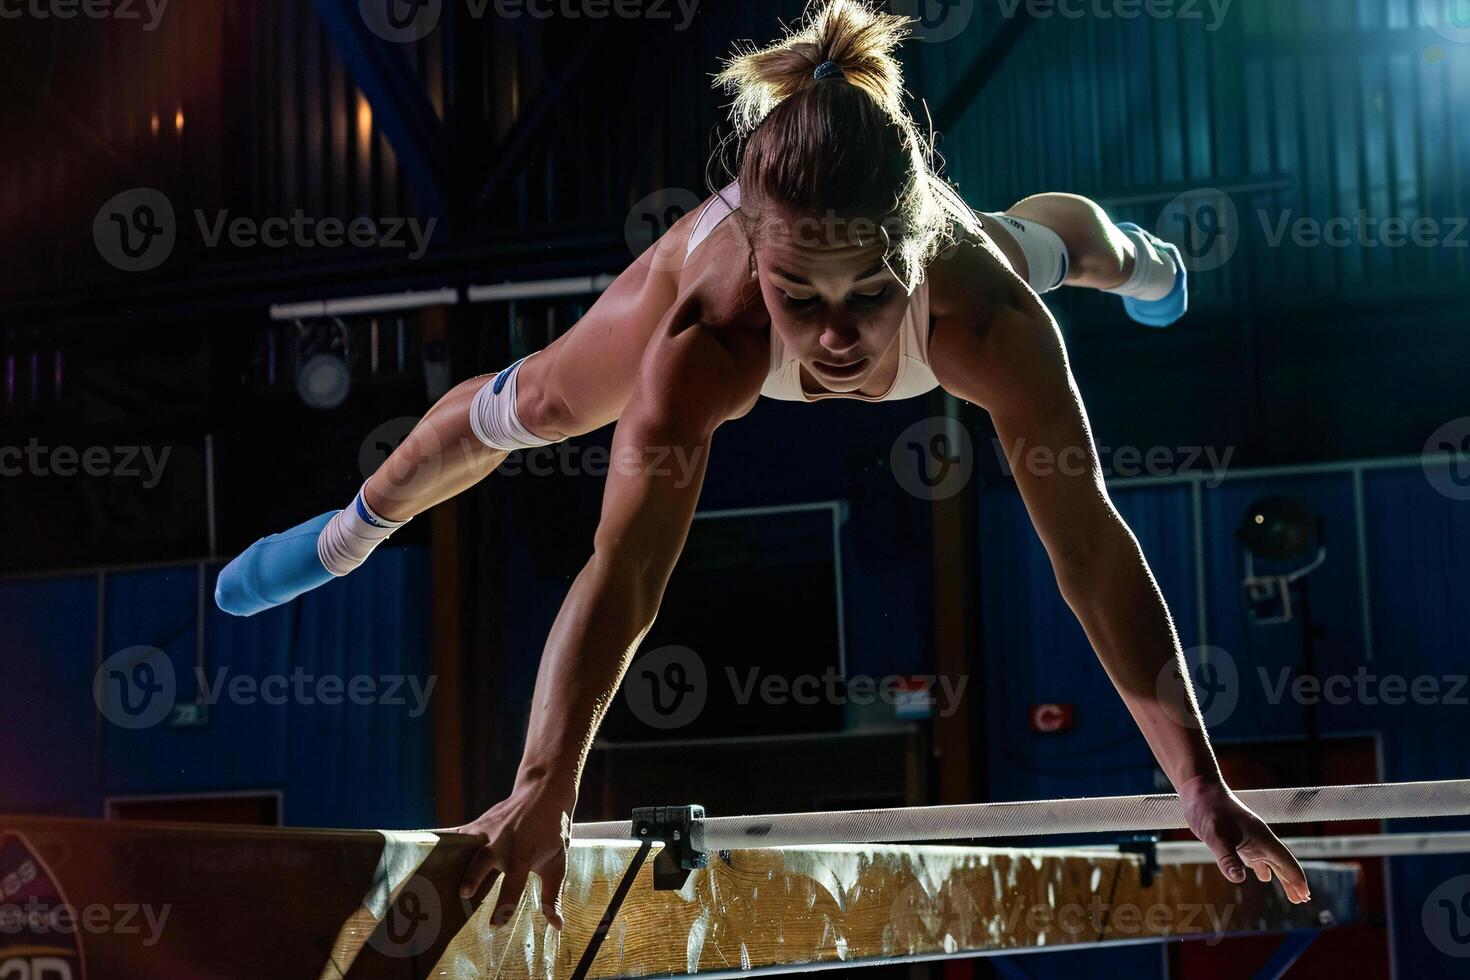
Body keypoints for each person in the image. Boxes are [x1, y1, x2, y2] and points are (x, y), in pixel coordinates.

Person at [214, 0, 1299, 929]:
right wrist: (543, 783)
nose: (833, 340)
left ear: (914, 260)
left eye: (867, 298)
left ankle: (1152, 259)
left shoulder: (982, 311)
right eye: (801, 298)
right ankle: (348, 531)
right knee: (539, 399)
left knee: (1067, 249)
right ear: (759, 263)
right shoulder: (707, 331)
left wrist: (1196, 779)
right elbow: (627, 568)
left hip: (976, 258)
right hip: (707, 285)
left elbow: (1089, 550)